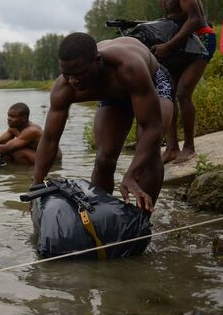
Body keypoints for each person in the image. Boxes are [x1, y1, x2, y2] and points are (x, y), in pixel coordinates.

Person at [33, 33, 174, 213]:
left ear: (97, 61)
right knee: (104, 159)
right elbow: (50, 139)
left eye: (79, 74)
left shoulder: (129, 67)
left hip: (152, 81)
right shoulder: (64, 88)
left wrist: (132, 175)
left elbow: (152, 128)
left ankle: (142, 220)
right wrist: (37, 182)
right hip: (113, 94)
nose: (73, 81)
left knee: (149, 154)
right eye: (66, 74)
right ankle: (100, 214)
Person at [144, 0, 217, 164]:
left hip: (201, 39)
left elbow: (196, 19)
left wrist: (168, 46)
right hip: (180, 42)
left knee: (183, 93)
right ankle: (172, 148)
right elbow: (172, 19)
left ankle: (189, 147)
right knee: (170, 93)